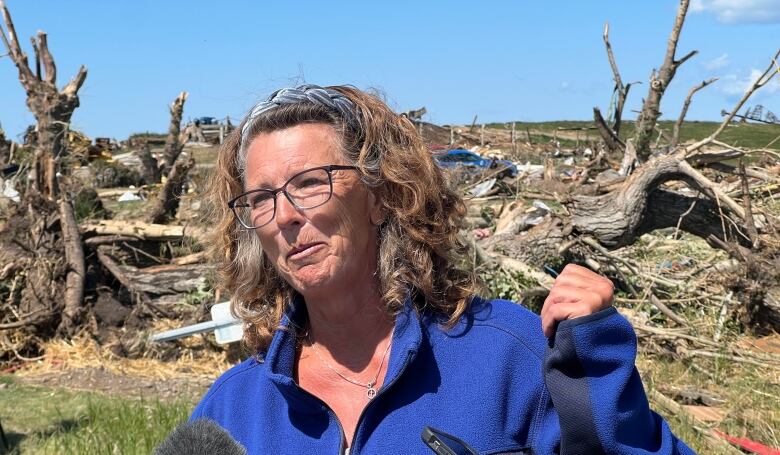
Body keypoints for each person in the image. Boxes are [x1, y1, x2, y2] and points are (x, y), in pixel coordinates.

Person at [191, 84, 695, 454]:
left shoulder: (506, 355)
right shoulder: (234, 408)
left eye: (309, 182)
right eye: (260, 199)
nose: (283, 216)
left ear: (381, 195)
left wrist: (598, 372)